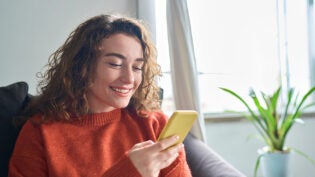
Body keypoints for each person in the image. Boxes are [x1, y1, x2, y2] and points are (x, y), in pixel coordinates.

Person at [8, 14, 192, 177]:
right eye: (115, 64)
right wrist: (128, 172)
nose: (129, 78)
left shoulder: (155, 125)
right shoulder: (40, 131)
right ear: (83, 67)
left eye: (137, 67)